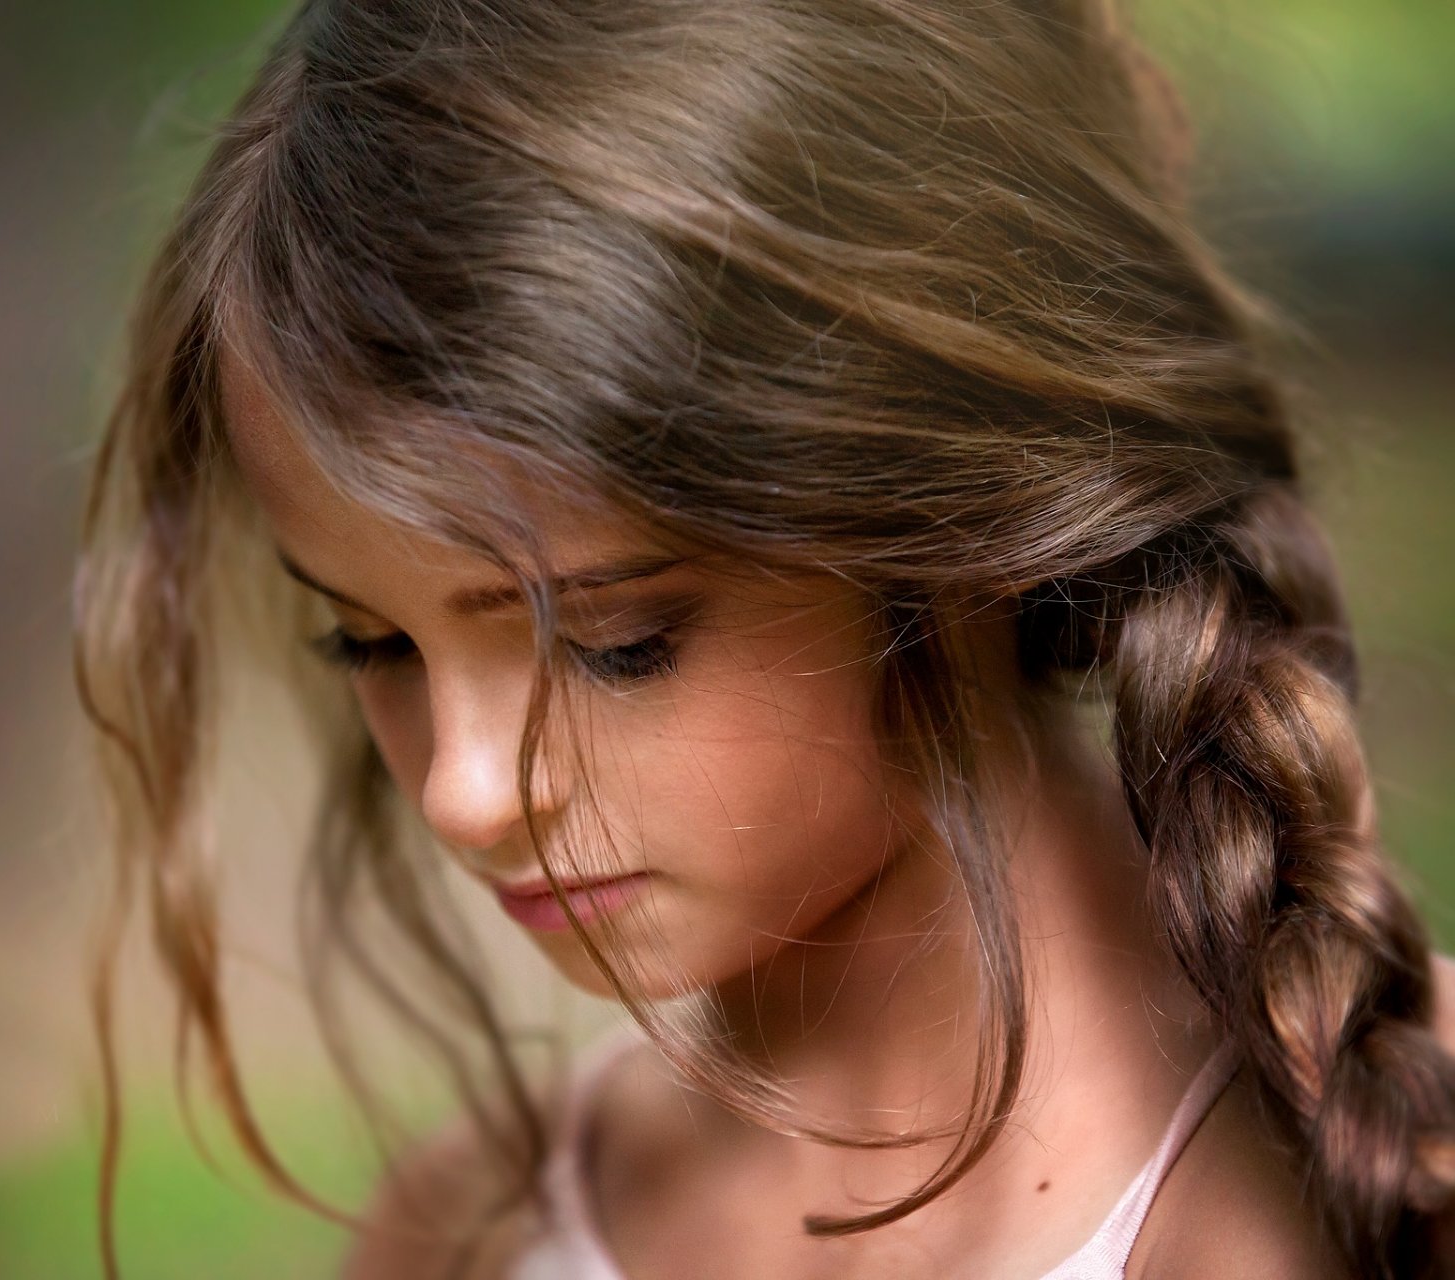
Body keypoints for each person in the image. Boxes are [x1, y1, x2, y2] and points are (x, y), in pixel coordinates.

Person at [72, 1, 1455, 1276]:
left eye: (615, 640)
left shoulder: (1388, 1173)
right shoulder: (470, 1233)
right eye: (369, 644)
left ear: (962, 509)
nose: (464, 788)